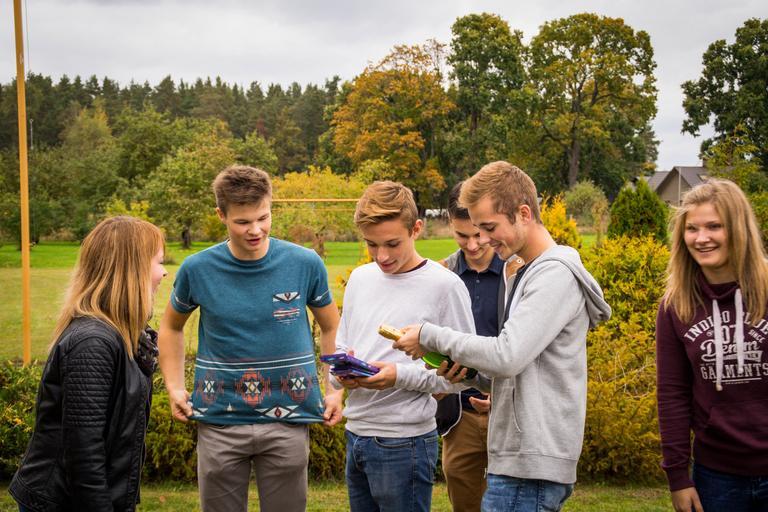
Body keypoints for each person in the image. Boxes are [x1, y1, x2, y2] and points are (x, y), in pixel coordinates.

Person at [393, 161, 611, 512]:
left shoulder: (554, 276)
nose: (483, 240)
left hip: (530, 466)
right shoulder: (526, 273)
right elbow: (519, 372)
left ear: (523, 214)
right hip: (516, 461)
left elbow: (507, 356)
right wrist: (467, 373)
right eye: (477, 229)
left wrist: (429, 335)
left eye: (490, 227)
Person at [158, 165, 341, 512]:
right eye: (242, 222)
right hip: (219, 420)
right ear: (221, 215)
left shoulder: (305, 264)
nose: (255, 230)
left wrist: (334, 389)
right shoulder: (197, 269)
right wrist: (174, 387)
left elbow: (332, 327)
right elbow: (170, 327)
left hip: (290, 419)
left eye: (263, 218)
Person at [324, 180, 480, 512]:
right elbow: (343, 347)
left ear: (416, 229)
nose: (381, 256)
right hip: (356, 434)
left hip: (405, 443)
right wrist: (342, 373)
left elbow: (464, 376)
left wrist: (398, 376)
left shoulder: (445, 286)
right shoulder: (360, 279)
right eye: (371, 244)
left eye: (392, 243)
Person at [9, 216, 167, 512]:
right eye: (159, 262)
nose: (164, 272)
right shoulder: (93, 342)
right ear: (131, 269)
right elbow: (83, 453)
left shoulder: (120, 334)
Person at [656, 179, 768, 512]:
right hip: (717, 477)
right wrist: (678, 477)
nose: (701, 238)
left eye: (714, 226)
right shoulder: (677, 305)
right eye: (692, 229)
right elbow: (672, 394)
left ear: (738, 229)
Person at [437, 182, 524, 512]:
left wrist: (500, 392)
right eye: (462, 236)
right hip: (459, 415)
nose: (472, 245)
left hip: (510, 411)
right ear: (450, 223)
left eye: (478, 234)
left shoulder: (517, 272)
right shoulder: (441, 275)